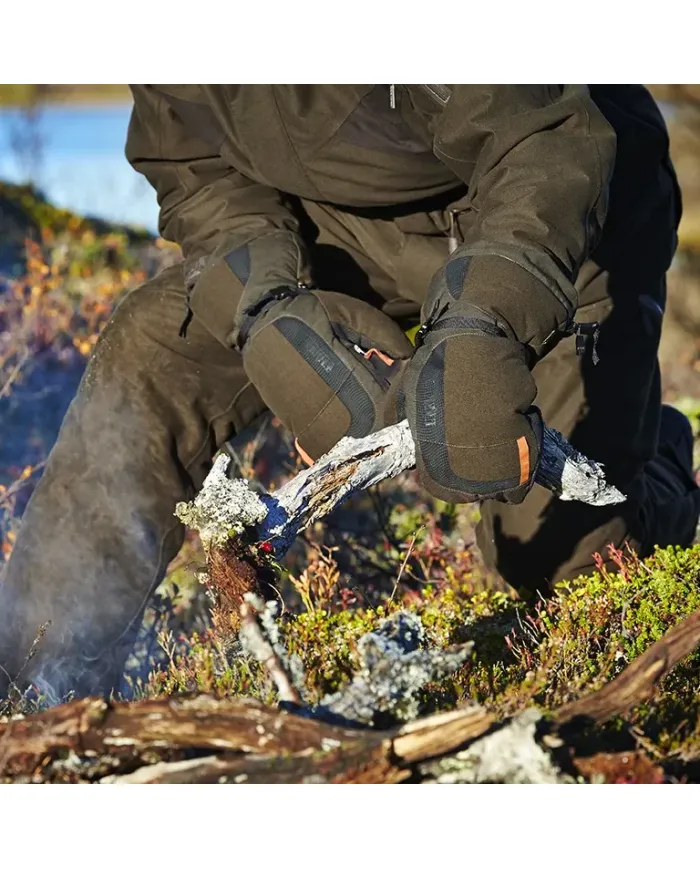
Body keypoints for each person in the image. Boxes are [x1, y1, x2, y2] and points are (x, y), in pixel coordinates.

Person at [1, 85, 698, 702]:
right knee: (153, 347)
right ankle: (35, 676)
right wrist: (267, 309)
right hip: (340, 231)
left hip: (559, 208)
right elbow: (196, 171)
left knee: (563, 558)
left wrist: (486, 319)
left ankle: (660, 473)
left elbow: (544, 141)